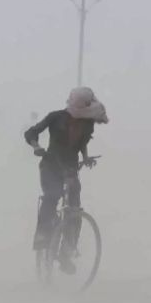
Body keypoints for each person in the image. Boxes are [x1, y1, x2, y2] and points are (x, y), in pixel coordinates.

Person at [24, 87, 108, 274]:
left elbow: (82, 144)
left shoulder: (88, 124)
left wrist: (85, 158)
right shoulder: (56, 117)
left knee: (74, 210)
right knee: (52, 195)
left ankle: (66, 252)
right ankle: (43, 235)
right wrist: (36, 146)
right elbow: (31, 133)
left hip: (70, 169)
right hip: (51, 166)